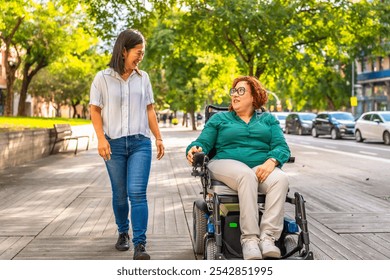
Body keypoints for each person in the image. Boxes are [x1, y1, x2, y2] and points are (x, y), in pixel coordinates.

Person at [186, 76, 290, 260]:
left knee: (281, 179)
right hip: (225, 164)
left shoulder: (268, 120)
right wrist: (194, 149)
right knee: (245, 175)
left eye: (240, 91)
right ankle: (249, 239)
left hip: (260, 167)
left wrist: (272, 161)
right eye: (233, 91)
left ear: (253, 97)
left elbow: (282, 147)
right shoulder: (220, 119)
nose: (235, 94)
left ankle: (268, 239)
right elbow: (202, 142)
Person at [89, 29, 164, 260]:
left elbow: (149, 109)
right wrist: (101, 138)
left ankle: (140, 244)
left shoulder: (144, 78)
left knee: (137, 193)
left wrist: (158, 137)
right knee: (120, 194)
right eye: (138, 52)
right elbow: (94, 109)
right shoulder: (102, 78)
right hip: (114, 144)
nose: (141, 57)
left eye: (143, 53)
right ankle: (123, 232)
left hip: (141, 143)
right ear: (123, 51)